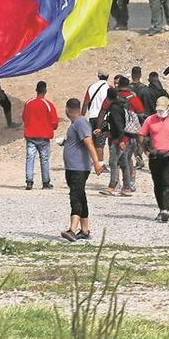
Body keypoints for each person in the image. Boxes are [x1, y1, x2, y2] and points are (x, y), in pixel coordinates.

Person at [60, 98, 105, 242]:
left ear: (67, 110)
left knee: (75, 197)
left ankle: (72, 230)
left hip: (78, 168)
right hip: (74, 167)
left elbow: (88, 142)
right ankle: (85, 230)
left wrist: (97, 162)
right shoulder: (76, 124)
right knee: (81, 196)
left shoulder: (80, 122)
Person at [139, 96, 169, 223]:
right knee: (157, 184)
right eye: (158, 110)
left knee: (167, 182)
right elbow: (141, 135)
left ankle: (165, 210)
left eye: (162, 110)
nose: (160, 112)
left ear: (168, 107)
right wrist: (145, 149)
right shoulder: (150, 120)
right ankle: (161, 209)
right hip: (155, 156)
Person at [98, 77, 144, 197]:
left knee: (114, 162)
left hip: (118, 138)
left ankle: (112, 186)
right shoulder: (132, 99)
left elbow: (114, 121)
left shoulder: (114, 103)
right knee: (126, 161)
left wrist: (100, 128)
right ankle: (127, 187)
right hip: (131, 136)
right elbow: (141, 113)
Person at [22, 81, 59, 191]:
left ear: (36, 90)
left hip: (31, 136)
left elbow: (24, 118)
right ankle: (46, 182)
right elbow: (54, 122)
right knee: (44, 159)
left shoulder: (28, 103)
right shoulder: (48, 105)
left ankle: (29, 182)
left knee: (30, 158)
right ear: (45, 91)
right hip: (44, 136)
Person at [82, 73, 112, 161]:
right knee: (100, 143)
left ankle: (94, 161)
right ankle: (100, 164)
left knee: (94, 141)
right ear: (107, 77)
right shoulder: (109, 88)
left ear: (98, 76)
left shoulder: (91, 87)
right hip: (103, 118)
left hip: (92, 117)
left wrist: (81, 117)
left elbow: (85, 103)